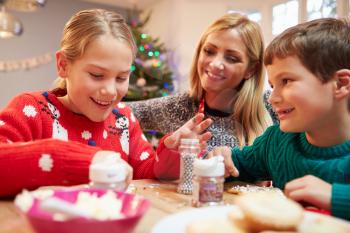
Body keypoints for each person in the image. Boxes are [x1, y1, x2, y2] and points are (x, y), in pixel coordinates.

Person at [0, 9, 210, 197]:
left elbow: (146, 173)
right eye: (97, 75)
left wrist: (172, 152)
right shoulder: (31, 110)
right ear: (63, 65)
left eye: (121, 78)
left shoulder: (123, 118)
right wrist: (87, 160)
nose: (110, 91)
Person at [207, 17, 350, 220]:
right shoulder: (276, 141)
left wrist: (335, 197)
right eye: (273, 85)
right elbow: (239, 166)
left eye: (287, 81)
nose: (273, 98)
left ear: (341, 84)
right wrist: (223, 160)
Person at [127, 13, 275, 153]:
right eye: (209, 51)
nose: (216, 64)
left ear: (251, 69)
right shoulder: (179, 107)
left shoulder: (272, 106)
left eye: (231, 58)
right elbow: (116, 113)